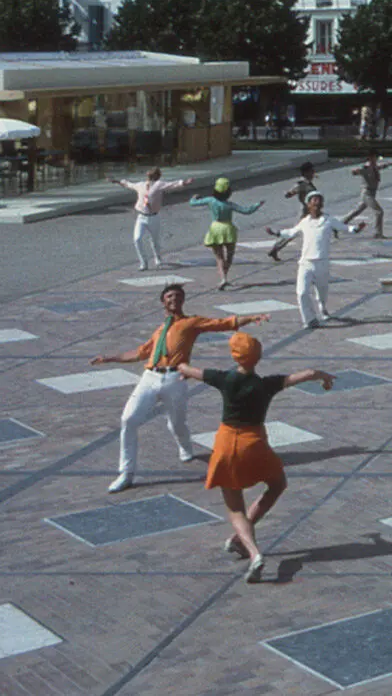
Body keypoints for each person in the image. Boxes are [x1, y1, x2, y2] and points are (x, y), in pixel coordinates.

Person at [174, 333, 332, 583]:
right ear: (257, 356)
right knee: (277, 484)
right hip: (255, 443)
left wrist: (181, 367)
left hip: (227, 444)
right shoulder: (267, 384)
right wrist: (324, 376)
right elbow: (307, 373)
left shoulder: (223, 378)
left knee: (235, 507)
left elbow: (189, 369)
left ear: (234, 355)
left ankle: (254, 552)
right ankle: (239, 540)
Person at [88, 285, 270, 493]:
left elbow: (222, 323)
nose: (174, 299)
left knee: (176, 423)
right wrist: (109, 358)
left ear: (183, 301)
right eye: (169, 296)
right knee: (128, 420)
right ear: (163, 302)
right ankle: (126, 473)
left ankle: (185, 447)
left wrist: (251, 318)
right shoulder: (160, 330)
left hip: (175, 378)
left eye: (178, 296)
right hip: (150, 377)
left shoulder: (191, 322)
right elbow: (139, 354)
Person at [265, 193, 367, 328]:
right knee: (301, 292)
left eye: (319, 202)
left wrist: (356, 229)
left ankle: (322, 308)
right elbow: (291, 232)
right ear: (308, 205)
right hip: (305, 263)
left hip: (322, 262)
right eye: (314, 201)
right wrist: (276, 233)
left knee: (322, 291)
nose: (317, 204)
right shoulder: (304, 222)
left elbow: (345, 228)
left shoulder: (329, 220)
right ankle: (309, 319)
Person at [111, 168, 193, 270]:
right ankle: (143, 262)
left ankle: (157, 258)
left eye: (152, 175)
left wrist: (184, 182)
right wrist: (118, 182)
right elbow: (129, 185)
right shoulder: (141, 185)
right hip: (141, 216)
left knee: (154, 240)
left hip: (154, 217)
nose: (149, 177)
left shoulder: (159, 185)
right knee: (137, 239)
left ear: (156, 177)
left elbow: (172, 185)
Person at [190, 178, 264, 289]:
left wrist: (194, 197)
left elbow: (193, 203)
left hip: (215, 228)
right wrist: (257, 204)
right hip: (228, 229)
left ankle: (223, 278)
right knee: (229, 255)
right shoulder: (230, 204)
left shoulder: (211, 200)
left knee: (219, 257)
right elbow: (246, 211)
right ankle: (225, 276)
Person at [343, 150, 392, 239]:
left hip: (372, 193)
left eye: (376, 157)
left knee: (356, 211)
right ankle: (378, 233)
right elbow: (357, 171)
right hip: (367, 193)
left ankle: (339, 224)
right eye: (374, 157)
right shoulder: (366, 167)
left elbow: (383, 166)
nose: (376, 159)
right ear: (370, 158)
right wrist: (355, 171)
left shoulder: (374, 167)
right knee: (379, 212)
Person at [267, 163, 317, 262]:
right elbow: (290, 193)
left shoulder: (307, 183)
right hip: (306, 212)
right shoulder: (302, 183)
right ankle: (276, 248)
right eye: (311, 171)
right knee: (295, 232)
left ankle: (276, 248)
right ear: (306, 172)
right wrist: (290, 193)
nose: (313, 173)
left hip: (312, 212)